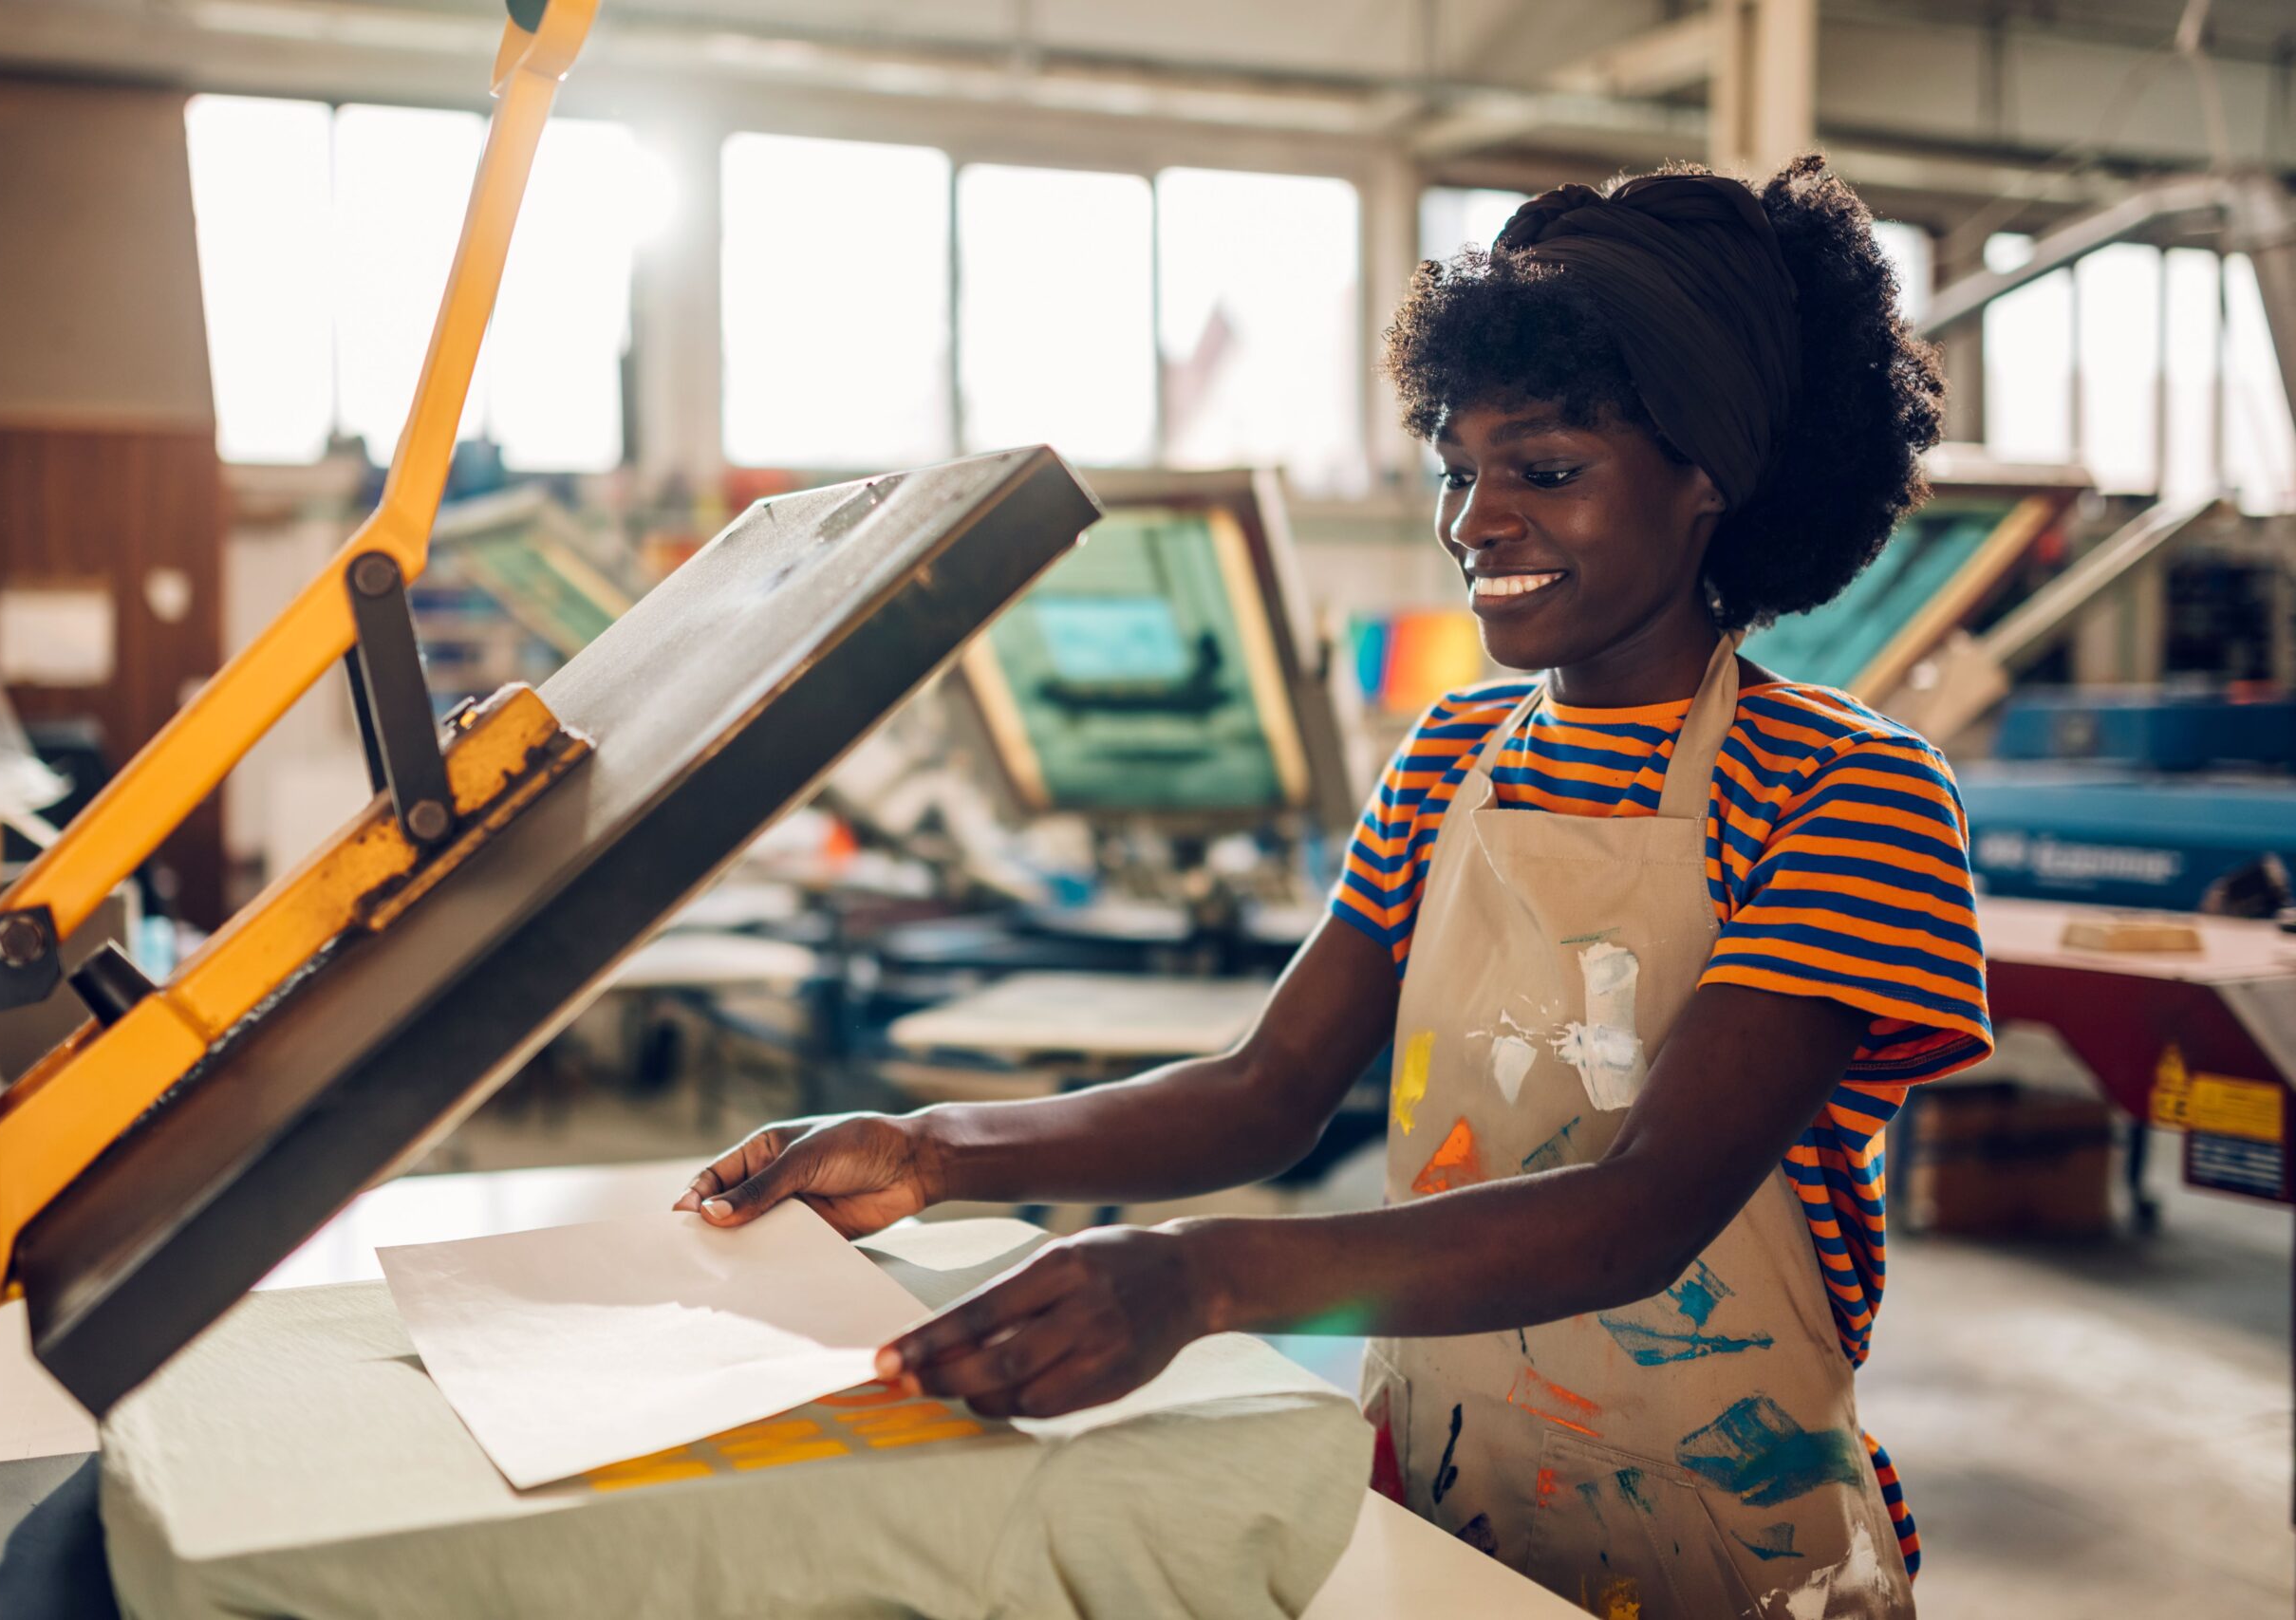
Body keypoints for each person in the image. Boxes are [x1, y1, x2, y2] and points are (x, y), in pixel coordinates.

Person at [677, 154, 1988, 1619]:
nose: (1474, 522)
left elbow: (1642, 1213)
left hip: (1726, 1541)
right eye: (1457, 469)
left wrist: (1201, 1277)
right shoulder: (1450, 758)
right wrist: (928, 1153)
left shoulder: (1850, 793)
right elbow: (1267, 1088)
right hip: (1438, 1483)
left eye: (1543, 470)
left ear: (1708, 484)